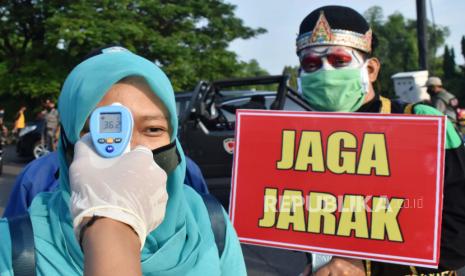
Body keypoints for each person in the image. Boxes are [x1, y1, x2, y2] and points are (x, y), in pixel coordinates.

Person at [0, 47, 245, 275]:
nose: (128, 151)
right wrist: (108, 219)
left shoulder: (212, 222)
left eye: (152, 129)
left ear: (174, 137)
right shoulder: (14, 243)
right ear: (67, 142)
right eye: (100, 130)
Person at [295, 6, 465, 275]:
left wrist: (368, 267)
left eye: (339, 61)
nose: (325, 73)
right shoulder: (294, 138)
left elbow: (459, 228)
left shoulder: (423, 123)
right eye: (312, 64)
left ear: (371, 69)